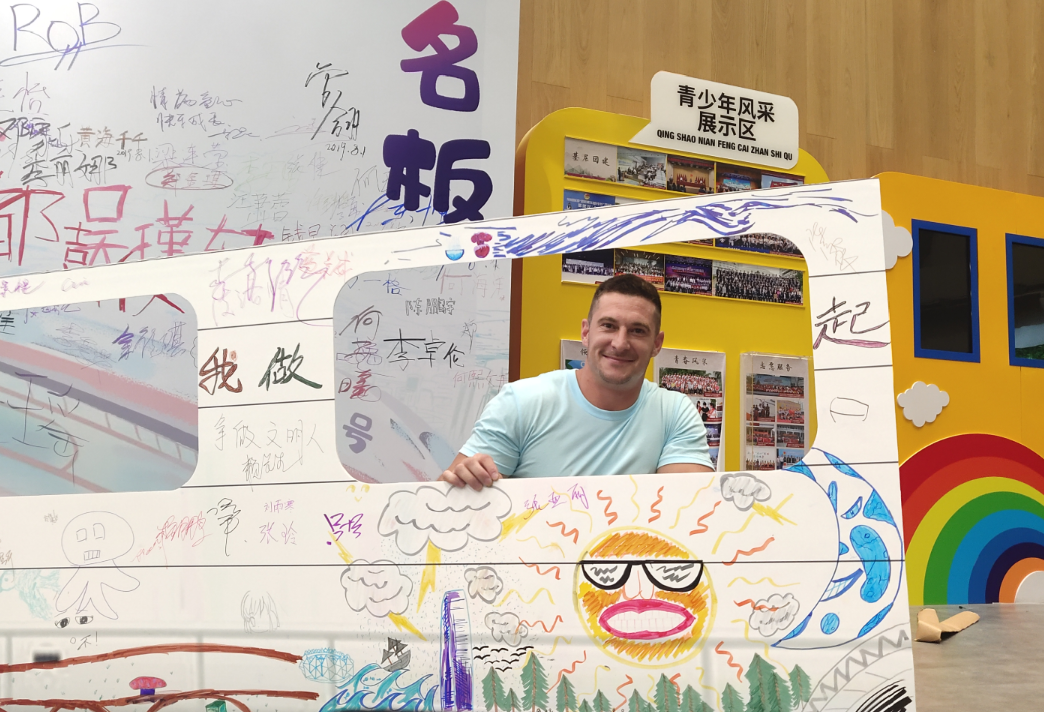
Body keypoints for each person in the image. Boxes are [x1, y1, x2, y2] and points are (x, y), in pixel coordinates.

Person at [439, 274, 714, 491]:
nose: (620, 343)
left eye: (637, 330)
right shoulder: (522, 402)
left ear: (656, 344)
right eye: (608, 326)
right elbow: (446, 508)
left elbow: (688, 508)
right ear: (586, 332)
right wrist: (465, 483)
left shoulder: (674, 412)